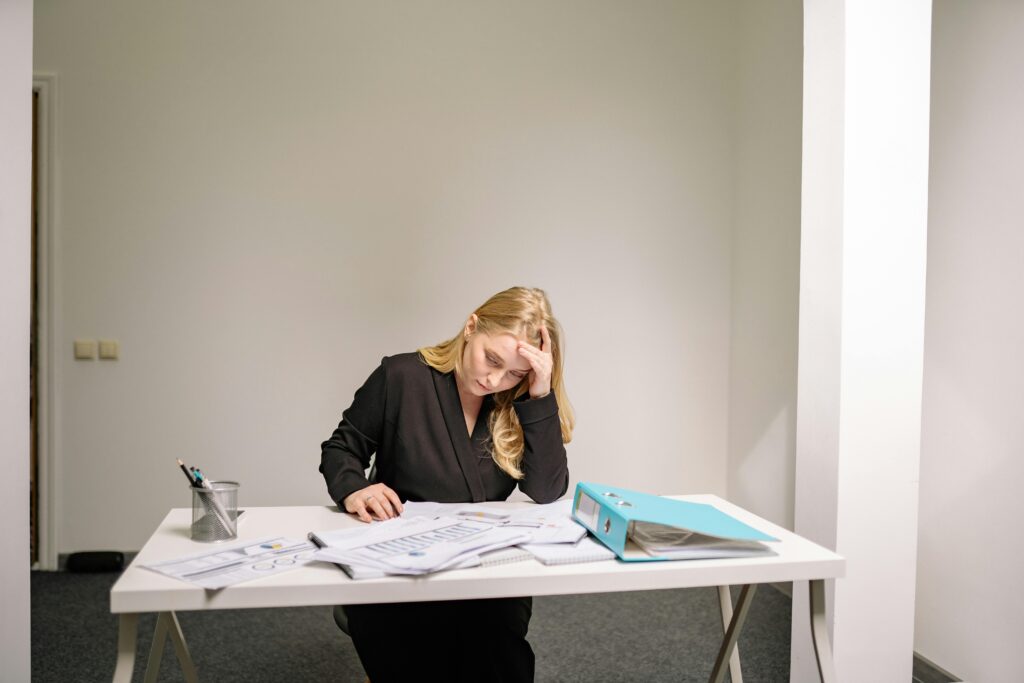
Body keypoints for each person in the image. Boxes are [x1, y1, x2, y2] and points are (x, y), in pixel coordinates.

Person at [319, 286, 574, 682]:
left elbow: (546, 490)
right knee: (417, 654)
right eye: (491, 359)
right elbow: (341, 449)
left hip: (484, 571)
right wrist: (355, 488)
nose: (495, 379)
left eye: (515, 373)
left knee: (496, 656)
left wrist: (539, 393)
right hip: (400, 565)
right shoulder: (401, 376)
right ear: (471, 326)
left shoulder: (517, 401)